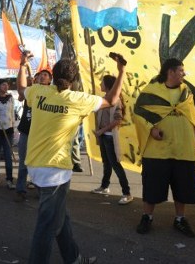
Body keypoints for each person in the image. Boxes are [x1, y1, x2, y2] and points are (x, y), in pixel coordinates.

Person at [18, 51, 126, 264]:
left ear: (53, 74)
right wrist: (121, 71)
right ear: (74, 80)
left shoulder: (39, 92)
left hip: (34, 166)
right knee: (47, 226)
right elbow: (112, 99)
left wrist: (22, 65)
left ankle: (73, 258)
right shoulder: (78, 99)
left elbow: (21, 90)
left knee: (60, 217)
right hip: (55, 171)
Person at [133, 58, 195, 238]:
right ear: (170, 72)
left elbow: (192, 115)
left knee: (182, 187)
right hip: (157, 151)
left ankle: (180, 219)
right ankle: (147, 217)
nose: (184, 74)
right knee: (152, 188)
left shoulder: (186, 92)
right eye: (181, 71)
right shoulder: (151, 91)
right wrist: (151, 128)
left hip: (183, 148)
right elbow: (138, 114)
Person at [91, 74, 133, 205]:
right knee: (106, 162)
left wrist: (102, 130)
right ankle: (104, 186)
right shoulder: (103, 99)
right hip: (103, 136)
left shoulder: (116, 101)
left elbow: (117, 120)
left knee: (115, 164)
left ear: (108, 85)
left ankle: (127, 193)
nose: (100, 85)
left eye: (102, 83)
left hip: (109, 137)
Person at [16, 68, 52, 202]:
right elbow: (20, 93)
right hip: (26, 132)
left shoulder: (53, 94)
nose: (42, 77)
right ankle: (20, 189)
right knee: (23, 163)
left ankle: (41, 189)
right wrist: (23, 65)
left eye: (45, 75)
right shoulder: (30, 91)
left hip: (41, 135)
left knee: (40, 163)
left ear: (50, 80)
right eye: (39, 75)